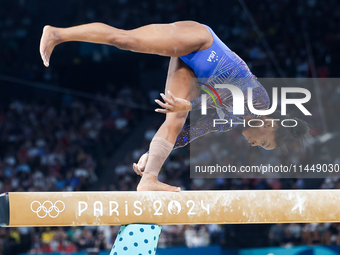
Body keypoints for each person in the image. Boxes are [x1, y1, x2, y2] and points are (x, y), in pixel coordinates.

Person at [39, 21, 309, 192]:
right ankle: (58, 33)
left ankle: (149, 179)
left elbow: (192, 133)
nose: (255, 145)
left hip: (192, 69)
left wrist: (151, 155)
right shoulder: (263, 103)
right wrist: (192, 103)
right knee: (126, 40)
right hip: (202, 43)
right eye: (264, 144)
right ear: (271, 125)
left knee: (174, 121)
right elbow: (228, 95)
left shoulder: (233, 122)